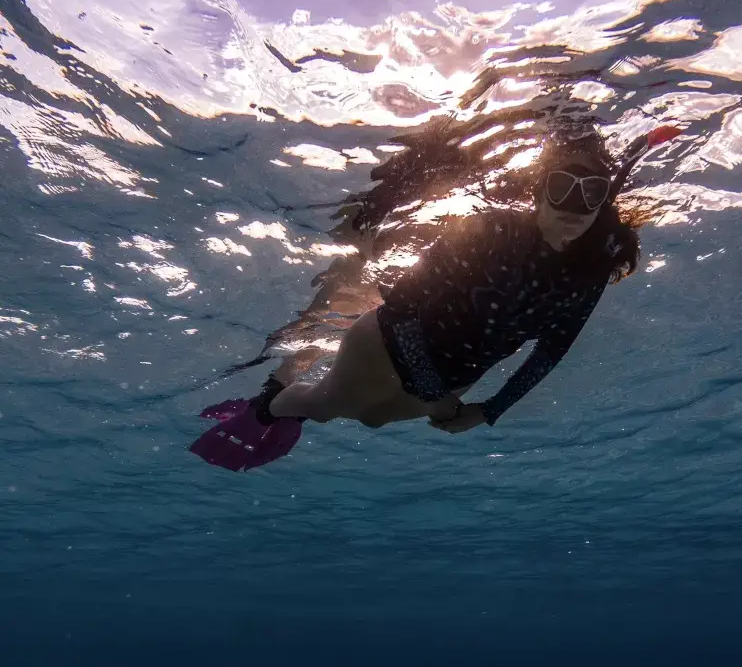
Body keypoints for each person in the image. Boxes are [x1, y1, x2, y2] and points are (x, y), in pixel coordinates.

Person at [189, 122, 679, 471]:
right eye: (561, 188)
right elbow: (401, 308)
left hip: (451, 378)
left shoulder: (592, 269)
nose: (574, 206)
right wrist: (434, 390)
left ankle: (291, 394)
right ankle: (268, 403)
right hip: (384, 346)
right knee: (325, 405)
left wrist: (491, 410)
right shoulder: (489, 231)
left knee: (376, 421)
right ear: (538, 193)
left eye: (590, 192)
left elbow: (553, 349)